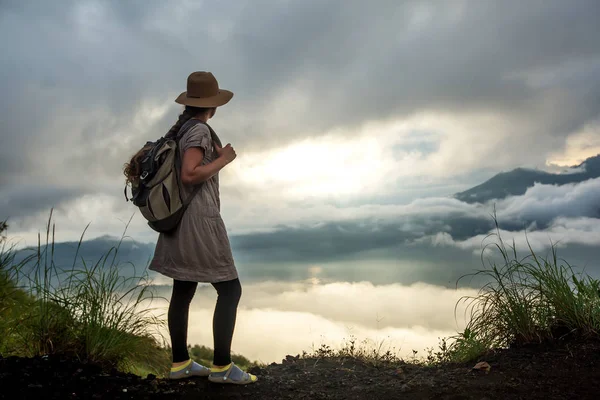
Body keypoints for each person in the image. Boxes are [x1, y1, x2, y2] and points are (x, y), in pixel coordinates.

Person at [124, 71, 257, 385]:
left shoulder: (184, 128)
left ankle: (180, 363)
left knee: (183, 288)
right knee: (230, 289)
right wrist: (224, 158)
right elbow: (189, 174)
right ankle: (222, 368)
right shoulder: (198, 131)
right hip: (199, 220)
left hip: (180, 220)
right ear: (213, 105)